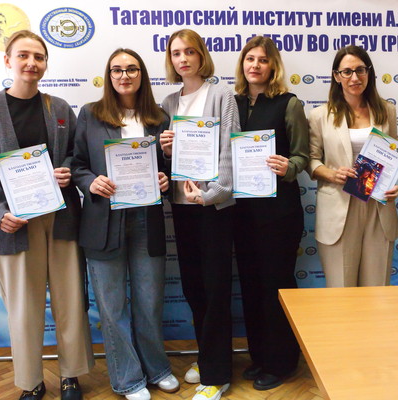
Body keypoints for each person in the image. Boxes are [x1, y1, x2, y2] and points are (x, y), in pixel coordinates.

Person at [0, 30, 94, 400]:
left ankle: (70, 376)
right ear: (8, 61)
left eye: (39, 57)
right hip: (13, 224)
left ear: (46, 63)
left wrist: (67, 171)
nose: (31, 63)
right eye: (23, 55)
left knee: (70, 302)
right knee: (23, 308)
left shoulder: (60, 108)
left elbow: (76, 155)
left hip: (62, 220)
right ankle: (31, 381)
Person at [71, 48, 179, 400]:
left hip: (147, 219)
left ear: (141, 75)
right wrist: (90, 182)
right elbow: (76, 163)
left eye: (131, 69)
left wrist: (165, 179)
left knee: (149, 302)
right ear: (109, 75)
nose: (124, 76)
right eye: (116, 70)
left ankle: (157, 368)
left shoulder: (158, 117)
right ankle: (128, 379)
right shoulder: (90, 114)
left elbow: (171, 165)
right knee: (112, 305)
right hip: (103, 222)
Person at [159, 28, 240, 400]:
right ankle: (209, 357)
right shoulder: (169, 102)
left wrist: (211, 195)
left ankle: (218, 375)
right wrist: (165, 150)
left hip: (212, 207)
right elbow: (167, 162)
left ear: (201, 55)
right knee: (194, 289)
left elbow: (228, 150)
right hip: (182, 206)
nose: (183, 59)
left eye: (189, 51)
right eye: (176, 53)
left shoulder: (221, 94)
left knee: (216, 289)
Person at [232, 35, 308, 391]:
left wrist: (288, 166)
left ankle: (282, 362)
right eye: (250, 59)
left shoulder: (288, 103)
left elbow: (302, 156)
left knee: (276, 286)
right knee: (250, 285)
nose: (255, 65)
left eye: (263, 60)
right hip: (241, 212)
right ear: (242, 64)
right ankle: (260, 356)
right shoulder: (231, 104)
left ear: (272, 66)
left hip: (279, 213)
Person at [308, 45, 398, 288]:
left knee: (377, 290)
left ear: (369, 72)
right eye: (347, 72)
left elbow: (393, 155)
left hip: (378, 207)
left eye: (360, 70)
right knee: (342, 291)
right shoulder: (320, 115)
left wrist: (393, 185)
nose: (355, 78)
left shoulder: (386, 110)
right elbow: (311, 160)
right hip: (339, 206)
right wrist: (332, 173)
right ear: (336, 76)